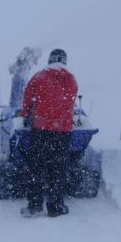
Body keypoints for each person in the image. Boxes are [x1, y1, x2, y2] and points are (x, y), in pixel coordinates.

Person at [19, 48, 78, 217]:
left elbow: (28, 99)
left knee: (36, 167)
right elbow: (69, 102)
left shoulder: (39, 76)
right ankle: (55, 207)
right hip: (63, 132)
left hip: (41, 130)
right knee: (58, 169)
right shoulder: (72, 79)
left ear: (50, 60)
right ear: (64, 61)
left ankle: (34, 205)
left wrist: (26, 114)